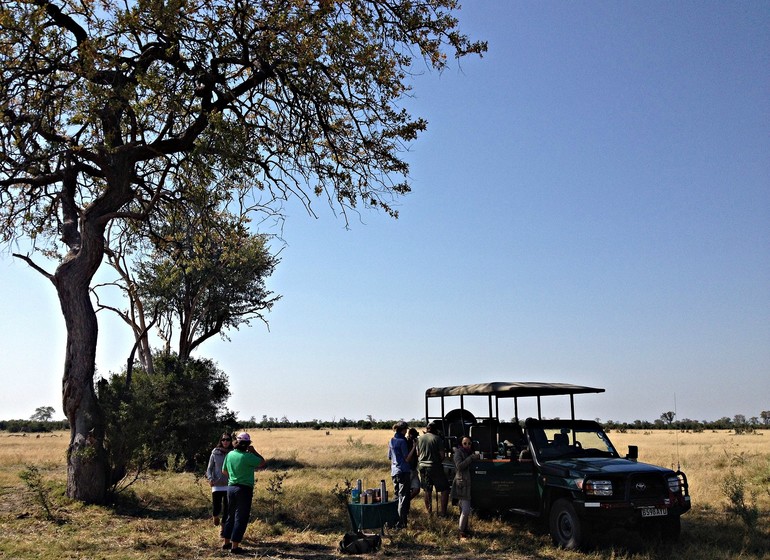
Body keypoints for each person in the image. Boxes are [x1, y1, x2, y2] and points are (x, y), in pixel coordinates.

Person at [221, 432, 267, 554]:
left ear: (236, 442)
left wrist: (233, 476)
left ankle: (226, 543)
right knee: (240, 517)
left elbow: (224, 471)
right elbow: (262, 462)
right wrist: (254, 451)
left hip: (231, 488)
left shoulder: (230, 454)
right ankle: (235, 547)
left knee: (230, 515)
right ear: (247, 444)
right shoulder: (248, 456)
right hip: (244, 489)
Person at [416, 421, 449, 515]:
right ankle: (443, 513)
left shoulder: (420, 438)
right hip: (434, 466)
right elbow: (442, 455)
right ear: (435, 430)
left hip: (422, 467)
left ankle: (429, 512)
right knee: (445, 489)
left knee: (427, 490)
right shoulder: (437, 439)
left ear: (427, 429)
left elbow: (417, 453)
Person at [205, 432, 233, 528]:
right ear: (220, 441)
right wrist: (210, 478)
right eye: (223, 439)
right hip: (216, 484)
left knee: (227, 508)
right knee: (217, 507)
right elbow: (209, 468)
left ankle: (223, 528)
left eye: (228, 439)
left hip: (229, 483)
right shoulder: (215, 452)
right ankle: (215, 516)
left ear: (231, 441)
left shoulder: (233, 452)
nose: (225, 442)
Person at [388, 421, 412, 529]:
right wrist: (414, 447)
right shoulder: (402, 441)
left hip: (394, 471)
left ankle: (393, 520)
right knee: (404, 497)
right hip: (403, 471)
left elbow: (389, 457)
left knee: (397, 495)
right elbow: (407, 458)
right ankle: (401, 522)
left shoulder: (391, 440)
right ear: (403, 430)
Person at [451, 436, 475, 538]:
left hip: (466, 483)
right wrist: (471, 458)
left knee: (463, 509)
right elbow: (459, 466)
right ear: (461, 444)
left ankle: (464, 529)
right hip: (461, 483)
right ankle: (461, 532)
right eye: (465, 443)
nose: (467, 445)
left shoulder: (468, 453)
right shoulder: (458, 453)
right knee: (465, 510)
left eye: (469, 443)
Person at [406, 427, 421, 499]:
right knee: (406, 489)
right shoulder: (407, 442)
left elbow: (418, 454)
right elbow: (408, 457)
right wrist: (414, 446)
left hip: (414, 468)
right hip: (408, 469)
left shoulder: (413, 442)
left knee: (417, 489)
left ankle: (406, 502)